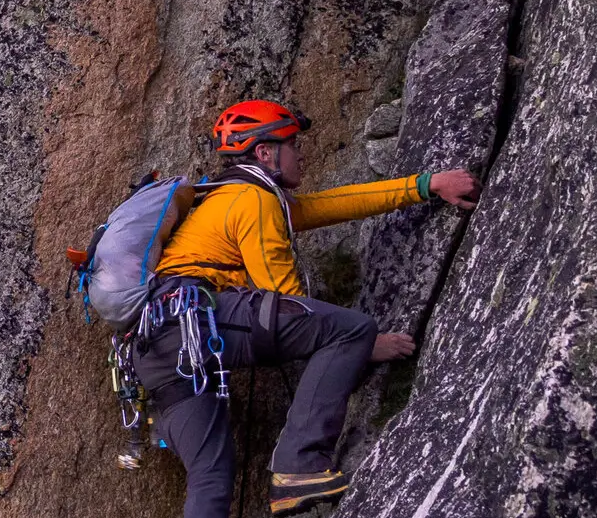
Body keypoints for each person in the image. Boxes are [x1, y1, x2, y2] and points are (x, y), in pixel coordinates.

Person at [135, 99, 480, 517]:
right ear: (265, 152)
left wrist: (425, 185)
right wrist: (363, 343)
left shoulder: (228, 198)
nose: (300, 153)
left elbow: (332, 204)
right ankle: (299, 467)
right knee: (350, 328)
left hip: (152, 348)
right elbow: (287, 301)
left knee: (210, 475)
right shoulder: (251, 200)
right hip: (194, 318)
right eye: (291, 143)